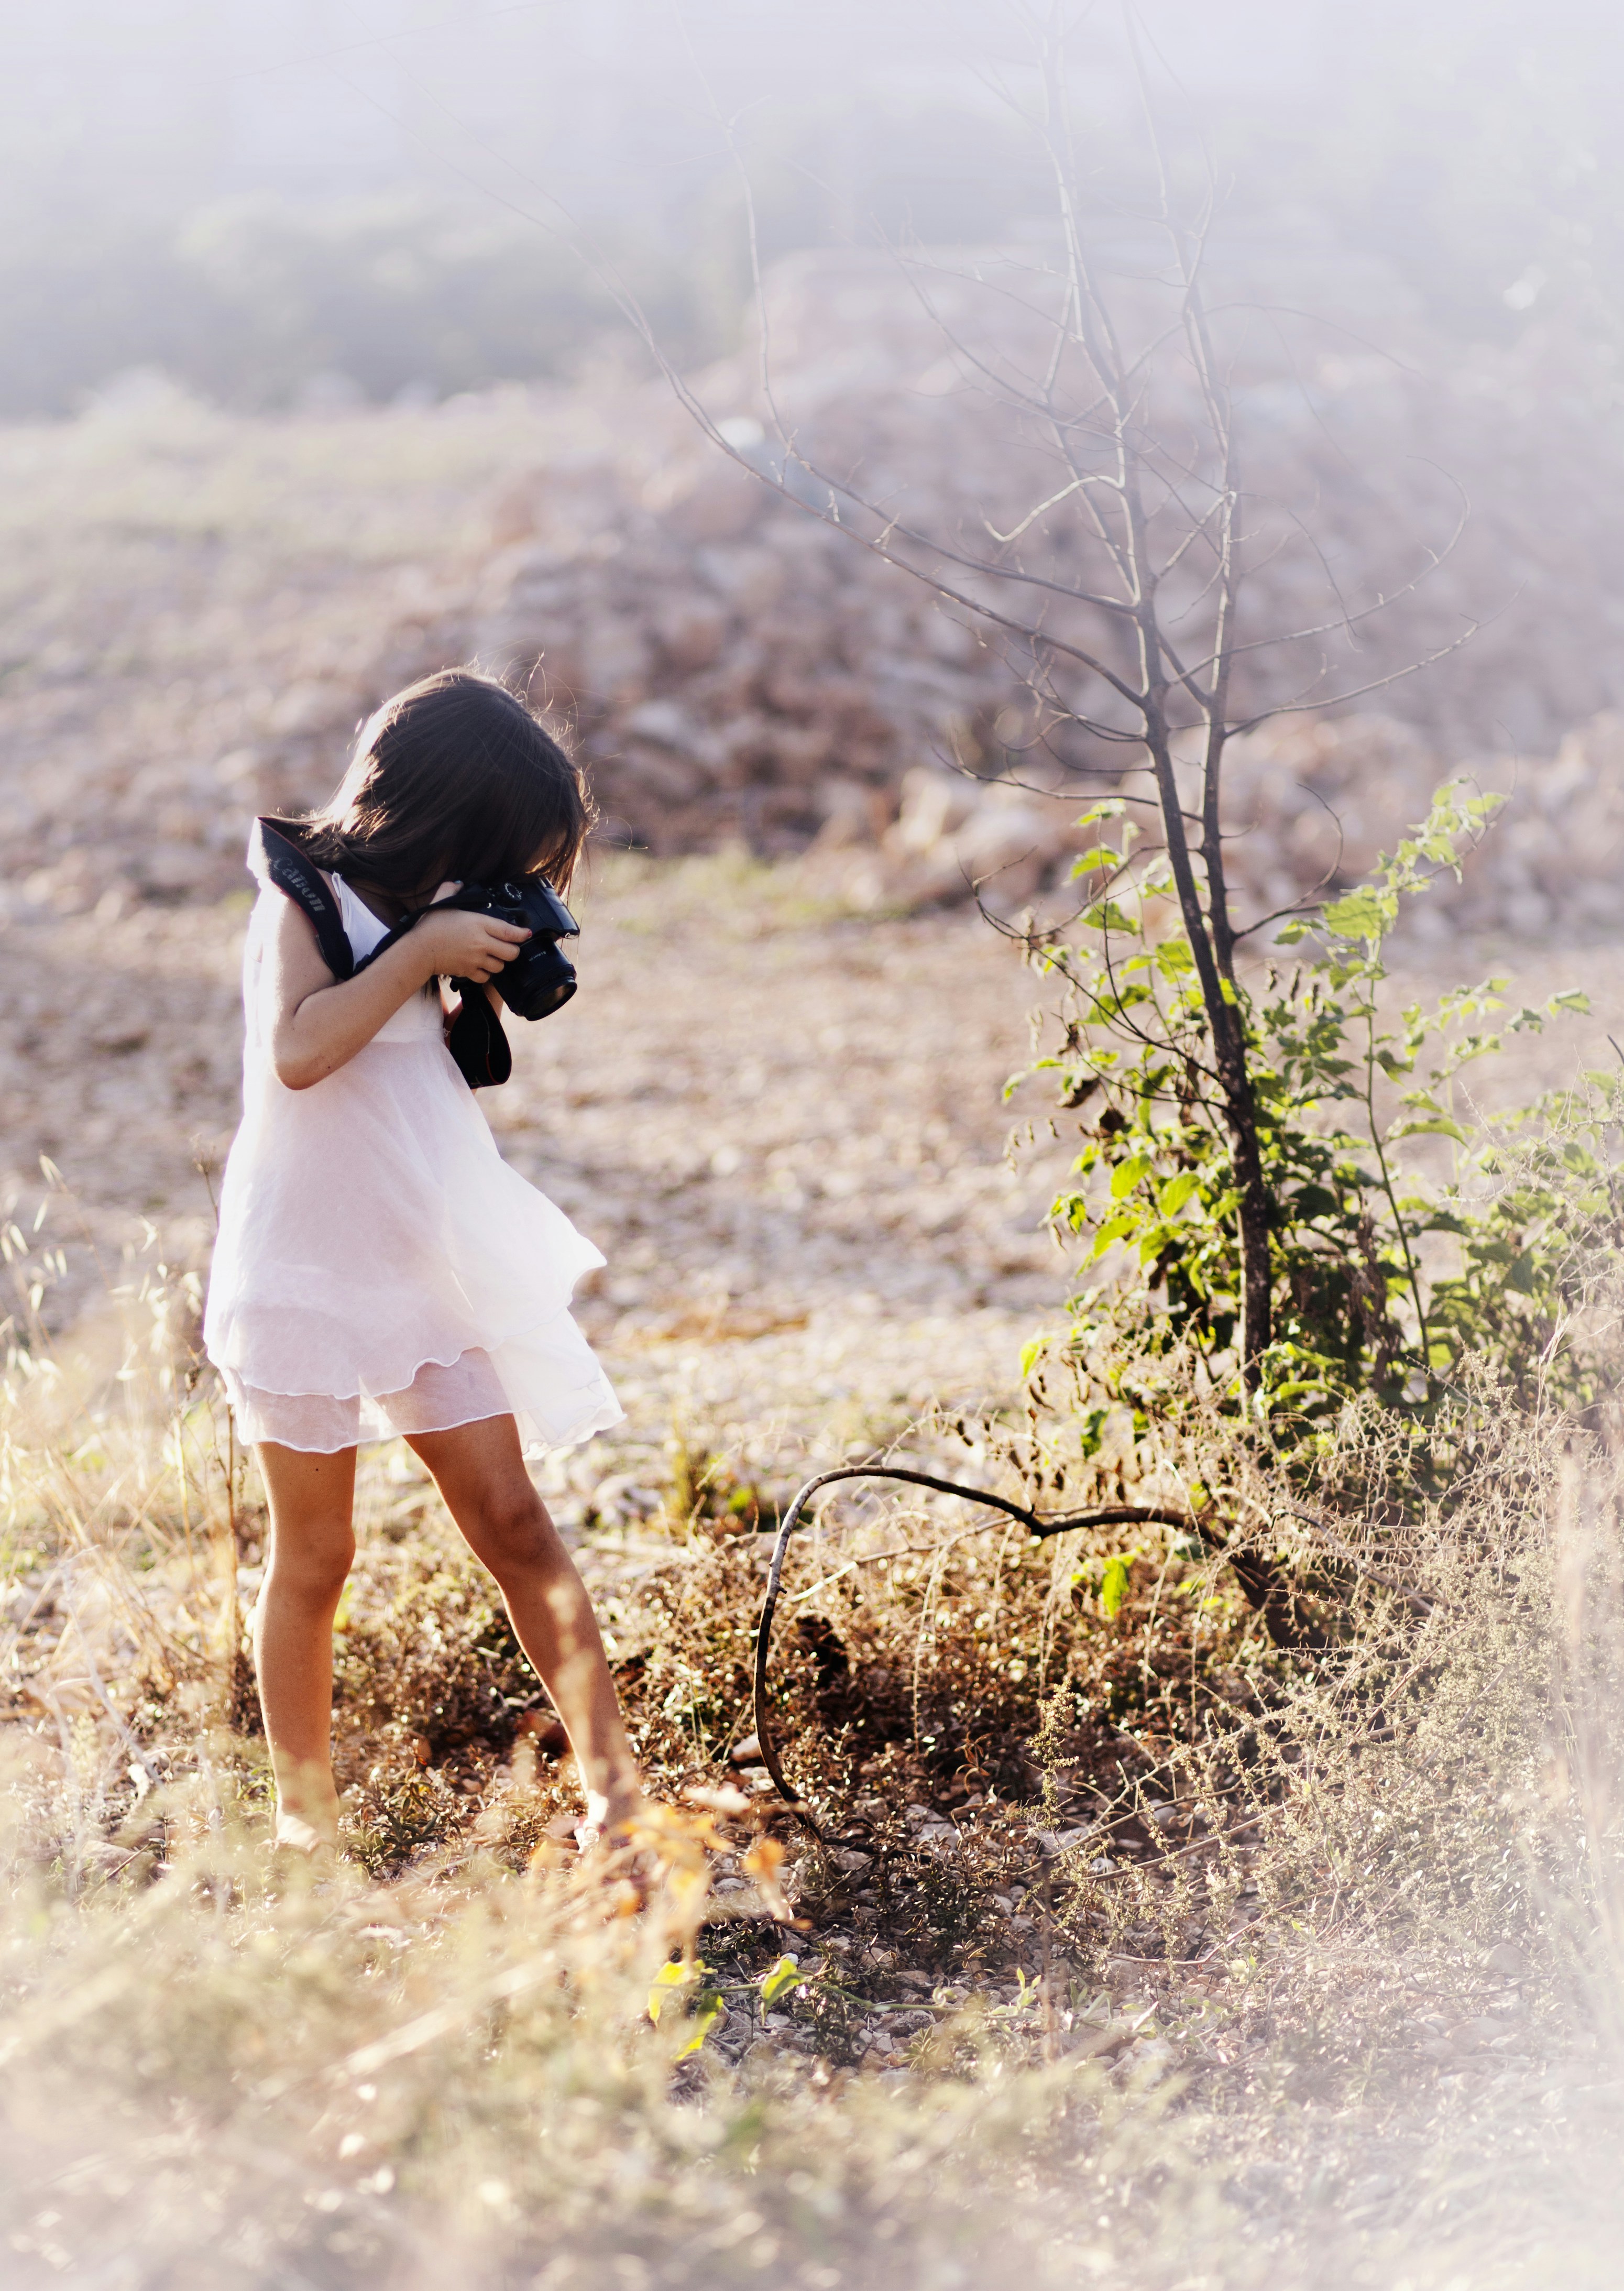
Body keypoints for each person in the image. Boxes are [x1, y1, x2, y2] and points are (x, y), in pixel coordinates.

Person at [203, 667, 643, 1856]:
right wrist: (423, 950)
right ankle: (307, 1824)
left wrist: (470, 966)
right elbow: (300, 1051)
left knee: (512, 1518)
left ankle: (616, 1793)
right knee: (318, 1555)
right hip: (300, 1262)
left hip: (423, 1251)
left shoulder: (431, 909)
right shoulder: (302, 897)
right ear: (444, 816)